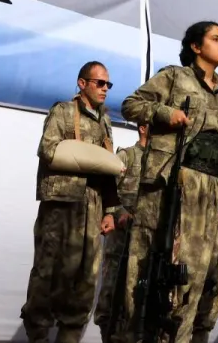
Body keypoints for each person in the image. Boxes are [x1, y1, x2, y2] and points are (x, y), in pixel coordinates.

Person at [119, 21, 218, 343]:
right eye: (215, 39)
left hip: (209, 190)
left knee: (194, 275)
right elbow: (130, 105)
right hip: (175, 183)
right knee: (163, 274)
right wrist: (166, 113)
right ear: (195, 46)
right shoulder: (175, 77)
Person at [21, 62, 123, 343]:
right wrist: (87, 157)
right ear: (82, 83)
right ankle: (38, 334)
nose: (105, 89)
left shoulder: (105, 120)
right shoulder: (63, 112)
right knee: (49, 271)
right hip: (63, 204)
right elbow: (48, 149)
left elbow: (106, 167)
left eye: (108, 84)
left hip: (94, 204)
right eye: (99, 83)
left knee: (85, 279)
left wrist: (110, 211)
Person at [96, 122, 150, 343]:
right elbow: (109, 194)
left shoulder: (162, 163)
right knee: (111, 298)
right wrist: (121, 214)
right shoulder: (127, 156)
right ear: (143, 128)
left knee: (137, 301)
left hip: (145, 243)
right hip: (121, 240)